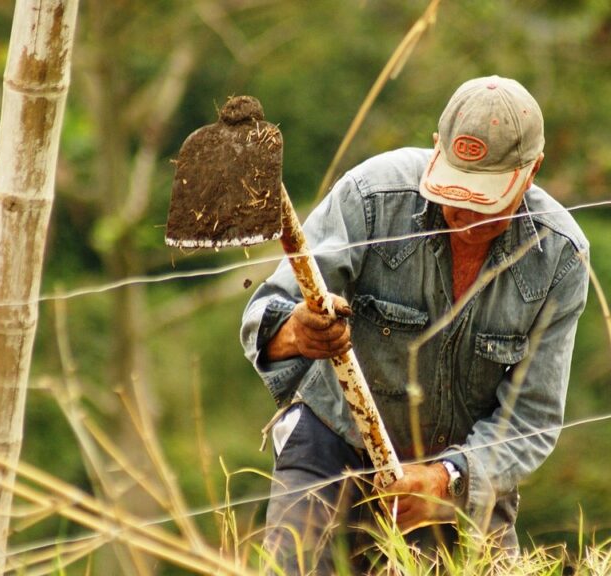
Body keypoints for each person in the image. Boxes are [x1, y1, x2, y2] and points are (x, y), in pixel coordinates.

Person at [241, 75, 589, 572]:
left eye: (484, 200)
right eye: (455, 192)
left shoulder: (559, 257)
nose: (464, 213)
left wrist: (447, 480)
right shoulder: (371, 197)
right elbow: (264, 316)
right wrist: (298, 331)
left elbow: (531, 419)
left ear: (531, 172)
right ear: (436, 150)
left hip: (461, 476)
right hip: (333, 445)